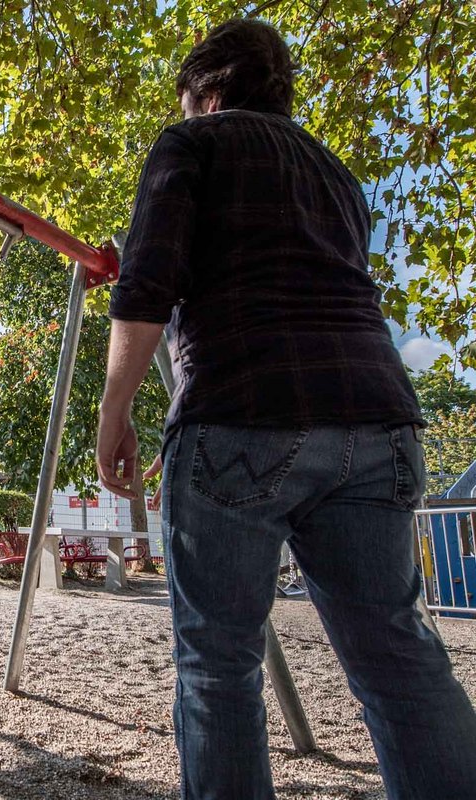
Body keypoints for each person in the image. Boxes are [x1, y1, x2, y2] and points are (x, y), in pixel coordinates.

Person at [94, 18, 476, 800]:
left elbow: (147, 280)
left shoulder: (191, 143)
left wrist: (115, 408)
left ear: (202, 91)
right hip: (377, 417)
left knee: (218, 665)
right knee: (396, 655)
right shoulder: (334, 171)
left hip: (243, 409)